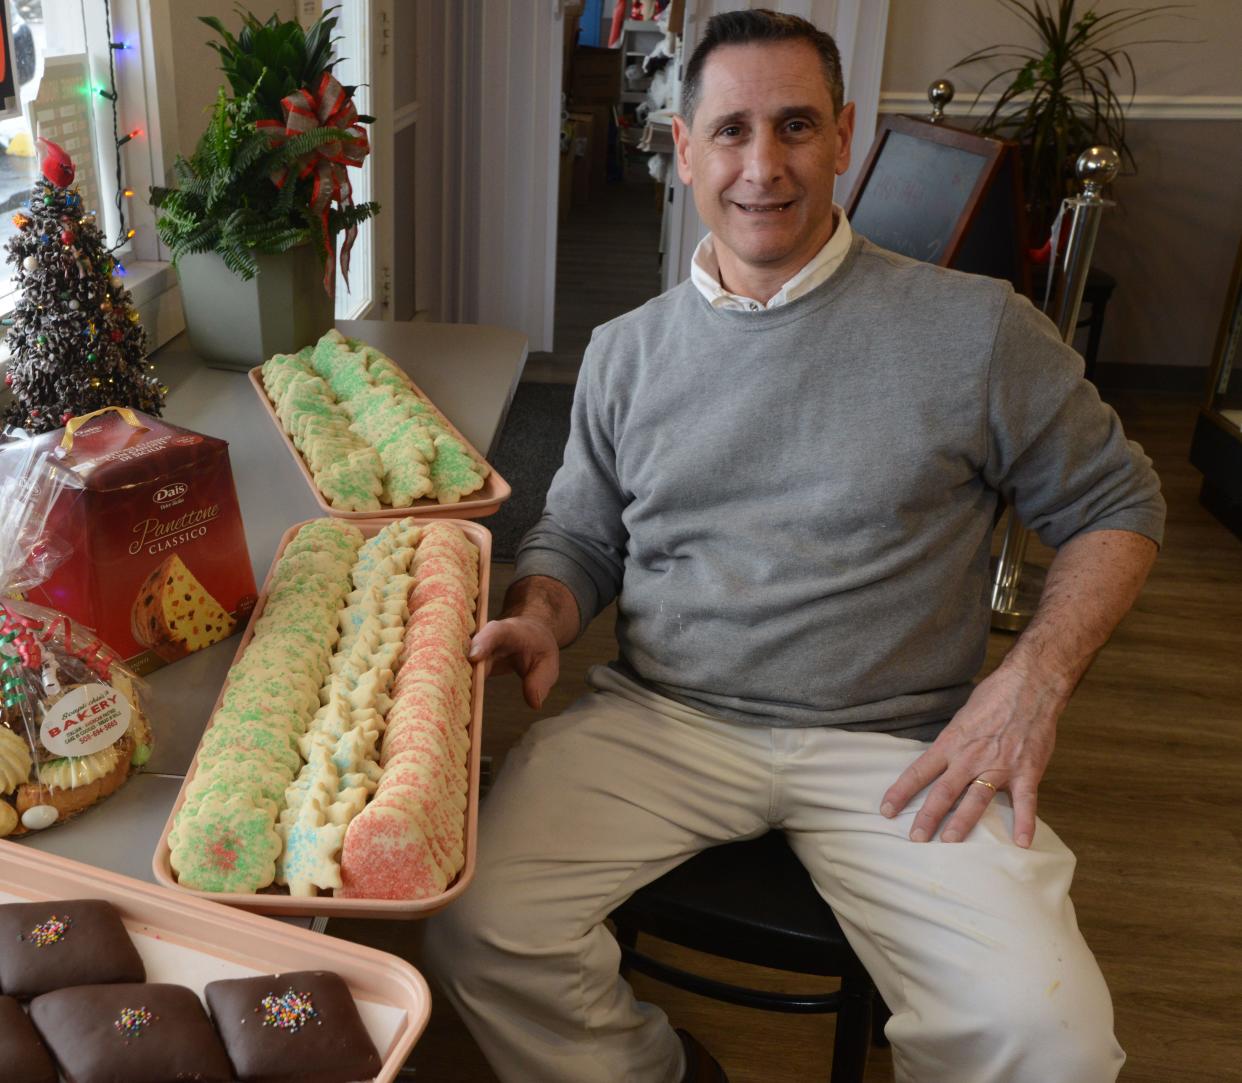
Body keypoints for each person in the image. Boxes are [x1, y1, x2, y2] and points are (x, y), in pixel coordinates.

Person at [424, 9, 1164, 1083]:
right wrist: (541, 614)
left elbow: (1118, 506)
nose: (762, 166)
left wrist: (1033, 678)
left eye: (796, 127)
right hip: (665, 721)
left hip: (901, 746)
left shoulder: (978, 330)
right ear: (682, 151)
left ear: (846, 137)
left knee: (1050, 1040)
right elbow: (580, 532)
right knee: (475, 924)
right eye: (729, 131)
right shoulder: (625, 354)